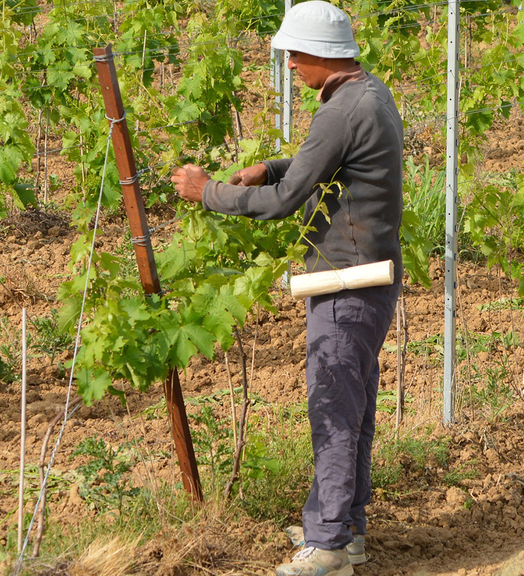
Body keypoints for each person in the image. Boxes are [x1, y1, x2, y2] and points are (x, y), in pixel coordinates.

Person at [172, 2, 403, 574]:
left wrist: (208, 192)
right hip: (372, 279)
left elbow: (282, 206)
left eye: (295, 56)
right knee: (354, 410)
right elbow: (323, 165)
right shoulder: (370, 94)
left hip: (346, 283)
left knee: (332, 410)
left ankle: (325, 546)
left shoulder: (340, 112)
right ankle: (346, 531)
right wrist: (272, 167)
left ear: (322, 55)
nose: (292, 67)